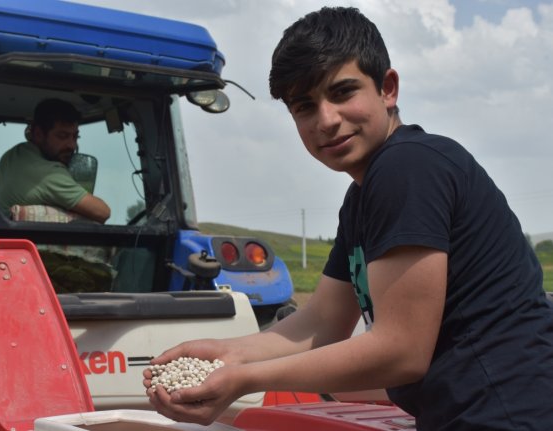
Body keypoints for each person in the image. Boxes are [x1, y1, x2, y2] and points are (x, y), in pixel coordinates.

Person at [143, 7, 553, 430]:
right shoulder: (362, 196)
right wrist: (229, 354)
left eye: (342, 93)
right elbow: (323, 321)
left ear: (388, 88)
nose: (327, 120)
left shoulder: (409, 167)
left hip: (508, 413)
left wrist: (244, 379)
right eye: (304, 106)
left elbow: (402, 349)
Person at [0, 98, 110, 224]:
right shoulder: (49, 174)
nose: (72, 145)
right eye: (62, 136)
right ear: (38, 134)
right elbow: (102, 212)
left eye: (75, 136)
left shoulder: (14, 155)